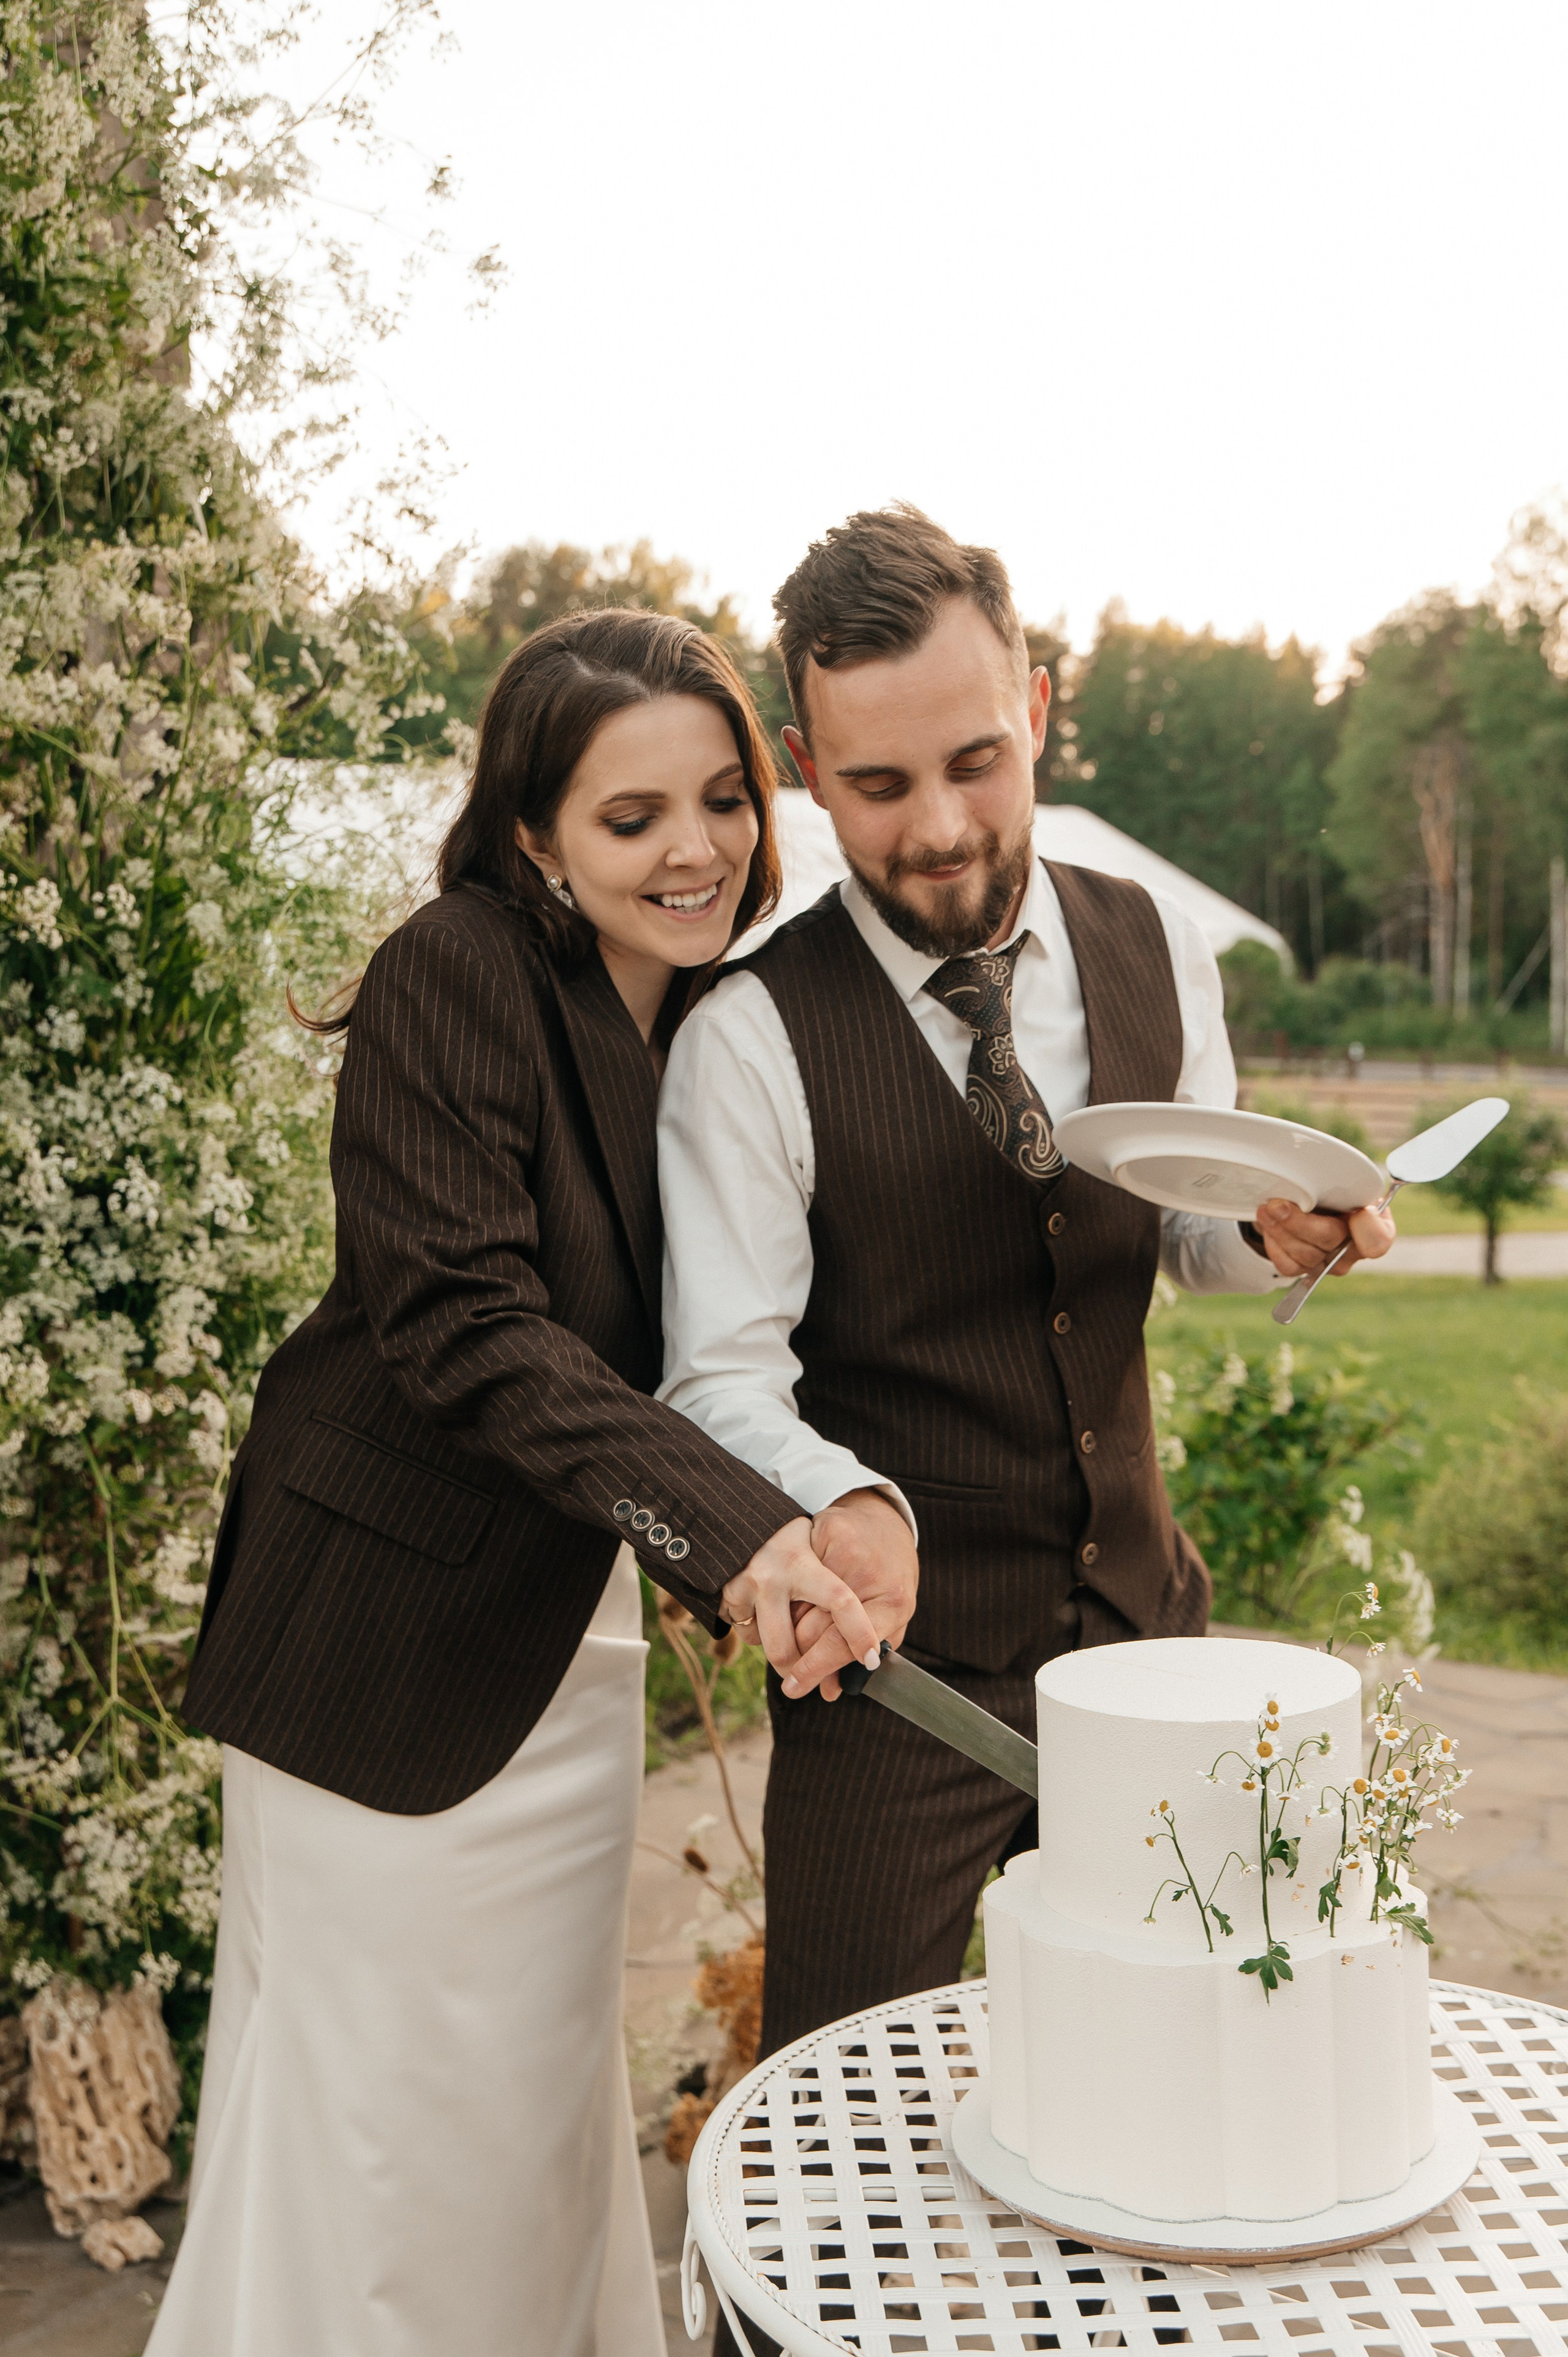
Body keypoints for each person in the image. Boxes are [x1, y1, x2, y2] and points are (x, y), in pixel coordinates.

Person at [149, 610, 888, 2357]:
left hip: (560, 1654)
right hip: (378, 1653)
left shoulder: (727, 1015)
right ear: (535, 832)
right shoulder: (457, 972)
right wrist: (735, 1535)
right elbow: (466, 1330)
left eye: (721, 798)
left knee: (522, 2119)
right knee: (380, 2139)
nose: (695, 848)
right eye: (633, 820)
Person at [658, 504, 1396, 2124]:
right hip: (894, 1692)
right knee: (846, 2144)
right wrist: (845, 1502)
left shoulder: (1154, 945)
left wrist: (1288, 1231)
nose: (936, 825)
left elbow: (1190, 1236)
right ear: (802, 758)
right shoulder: (750, 1042)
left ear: (1040, 708)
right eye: (876, 783)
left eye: (976, 762)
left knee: (1204, 2102)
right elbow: (714, 1380)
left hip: (1142, 1633)